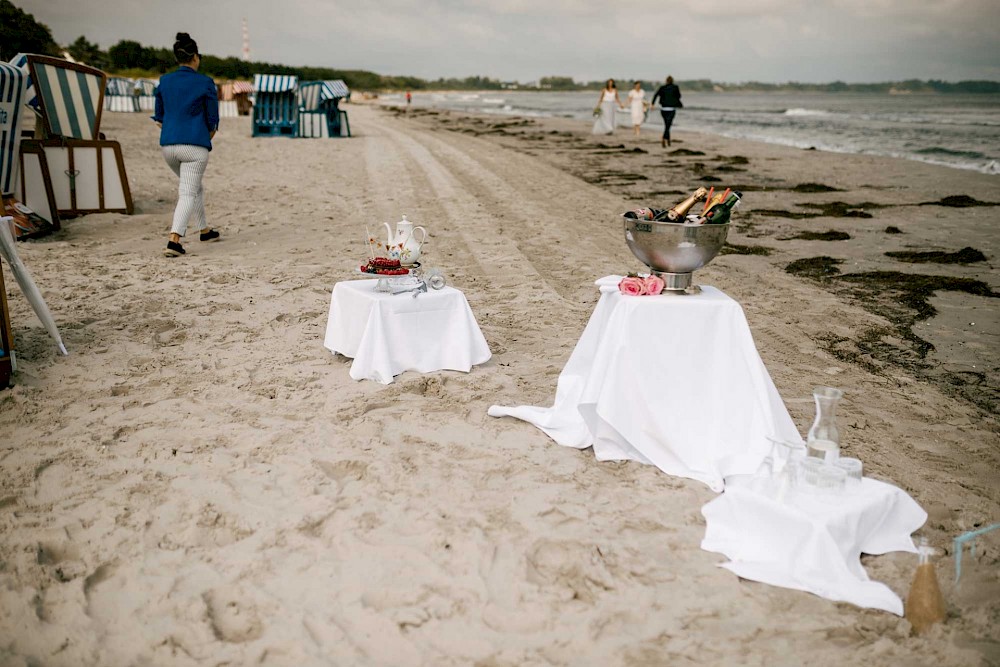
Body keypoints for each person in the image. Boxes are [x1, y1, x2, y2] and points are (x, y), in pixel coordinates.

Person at [153, 32, 220, 258]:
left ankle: (204, 230)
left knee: (193, 187)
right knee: (187, 193)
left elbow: (159, 117)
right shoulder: (205, 82)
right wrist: (205, 137)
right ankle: (174, 240)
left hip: (168, 146)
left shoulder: (164, 81)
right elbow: (213, 120)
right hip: (194, 145)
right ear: (195, 57)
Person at [650, 75, 683, 148]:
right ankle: (664, 138)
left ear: (666, 81)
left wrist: (652, 104)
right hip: (671, 109)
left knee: (667, 125)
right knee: (668, 125)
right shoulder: (675, 87)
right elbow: (679, 96)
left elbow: (656, 95)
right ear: (672, 81)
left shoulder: (662, 88)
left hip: (663, 109)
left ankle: (668, 140)